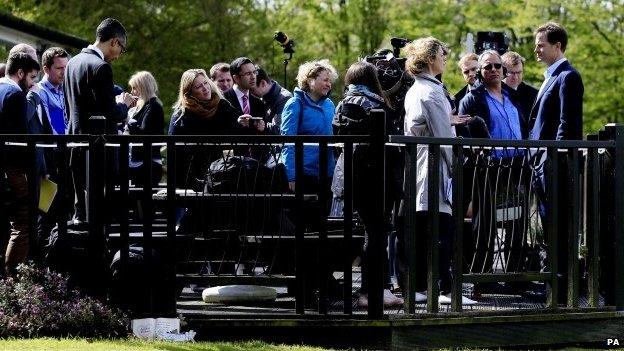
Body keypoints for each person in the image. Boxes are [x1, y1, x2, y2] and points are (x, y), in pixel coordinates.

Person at [403, 36, 474, 304]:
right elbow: (442, 138)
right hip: (435, 167)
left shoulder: (418, 89)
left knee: (425, 229)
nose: (445, 59)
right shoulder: (431, 91)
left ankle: (421, 286)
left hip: (423, 165)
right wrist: (457, 164)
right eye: (442, 55)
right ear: (431, 58)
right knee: (441, 229)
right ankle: (444, 289)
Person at [333, 61, 404, 308]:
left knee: (372, 234)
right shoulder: (374, 105)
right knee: (376, 237)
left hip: (355, 177)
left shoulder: (343, 104)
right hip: (376, 179)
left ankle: (375, 290)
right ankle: (371, 292)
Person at [458, 50, 529, 294]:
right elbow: (464, 132)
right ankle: (482, 278)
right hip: (488, 168)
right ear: (480, 70)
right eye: (488, 67)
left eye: (498, 66)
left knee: (518, 222)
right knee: (485, 224)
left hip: (517, 166)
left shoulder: (512, 95)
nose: (494, 70)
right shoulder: (473, 98)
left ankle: (514, 277)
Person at [529, 22, 584, 303]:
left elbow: (568, 125)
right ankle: (553, 287)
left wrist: (555, 161)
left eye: (541, 44)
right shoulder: (551, 76)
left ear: (557, 46)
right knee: (547, 227)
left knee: (557, 227)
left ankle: (560, 292)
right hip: (541, 163)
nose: (536, 49)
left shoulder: (567, 77)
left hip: (553, 165)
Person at [64, 18, 135, 224]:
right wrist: (125, 105)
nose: (119, 55)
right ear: (114, 42)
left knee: (81, 213)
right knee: (100, 213)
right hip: (99, 149)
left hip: (75, 142)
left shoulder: (73, 63)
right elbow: (110, 113)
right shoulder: (101, 67)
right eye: (121, 49)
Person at [168, 68, 262, 190]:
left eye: (205, 83)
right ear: (189, 92)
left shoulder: (222, 105)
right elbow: (175, 153)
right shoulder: (182, 115)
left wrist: (248, 124)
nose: (205, 88)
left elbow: (236, 132)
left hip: (220, 173)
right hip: (191, 177)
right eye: (198, 87)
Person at [0, 52, 40, 274]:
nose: (33, 84)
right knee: (22, 225)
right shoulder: (16, 95)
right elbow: (21, 139)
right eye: (32, 78)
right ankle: (14, 280)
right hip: (13, 170)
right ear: (21, 73)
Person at [280, 59, 337, 194]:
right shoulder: (295, 104)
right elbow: (288, 142)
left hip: (327, 174)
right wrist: (291, 176)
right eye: (325, 80)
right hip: (304, 174)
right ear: (310, 80)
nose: (329, 84)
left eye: (330, 81)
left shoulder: (329, 104)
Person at [125, 71, 164, 187]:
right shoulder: (144, 106)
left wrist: (127, 119)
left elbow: (143, 132)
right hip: (140, 162)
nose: (132, 92)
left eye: (134, 88)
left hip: (148, 163)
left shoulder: (153, 106)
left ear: (143, 87)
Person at [250, 65, 292, 134]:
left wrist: (259, 125)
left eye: (252, 90)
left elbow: (279, 129)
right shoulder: (262, 97)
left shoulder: (284, 98)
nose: (250, 93)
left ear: (263, 83)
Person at [501, 51, 538, 128]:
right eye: (511, 73)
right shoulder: (493, 93)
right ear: (502, 71)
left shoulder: (533, 94)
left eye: (519, 72)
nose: (515, 77)